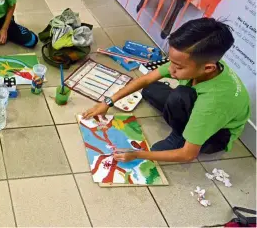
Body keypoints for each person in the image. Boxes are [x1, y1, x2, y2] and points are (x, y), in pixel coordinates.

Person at [82, 18, 250, 163]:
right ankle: (183, 118)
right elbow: (147, 78)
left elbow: (187, 155)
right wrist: (108, 102)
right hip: (199, 105)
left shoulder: (213, 104)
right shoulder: (207, 64)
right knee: (148, 88)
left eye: (178, 66)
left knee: (179, 97)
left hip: (217, 135)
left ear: (208, 68)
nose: (170, 70)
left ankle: (180, 135)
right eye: (171, 62)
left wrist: (137, 154)